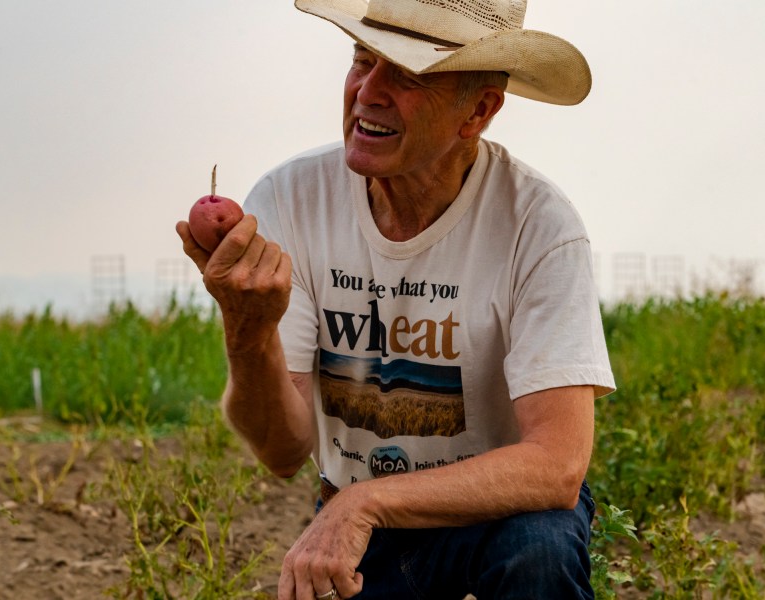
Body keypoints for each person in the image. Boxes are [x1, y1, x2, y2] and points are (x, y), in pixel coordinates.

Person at [177, 0, 615, 598]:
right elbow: (283, 451)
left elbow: (558, 465)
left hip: (495, 517)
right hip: (364, 528)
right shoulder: (292, 200)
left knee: (538, 551)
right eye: (362, 59)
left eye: (407, 76)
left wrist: (366, 501)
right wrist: (248, 330)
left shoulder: (538, 225)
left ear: (479, 110)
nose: (368, 92)